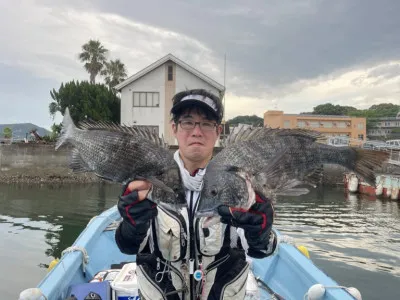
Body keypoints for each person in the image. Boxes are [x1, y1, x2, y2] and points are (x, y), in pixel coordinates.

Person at [115, 89, 277, 300]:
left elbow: (263, 251)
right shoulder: (147, 181)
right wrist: (131, 225)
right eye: (188, 122)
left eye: (207, 123)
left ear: (218, 131)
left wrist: (261, 232)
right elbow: (127, 246)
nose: (197, 131)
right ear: (174, 128)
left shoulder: (241, 182)